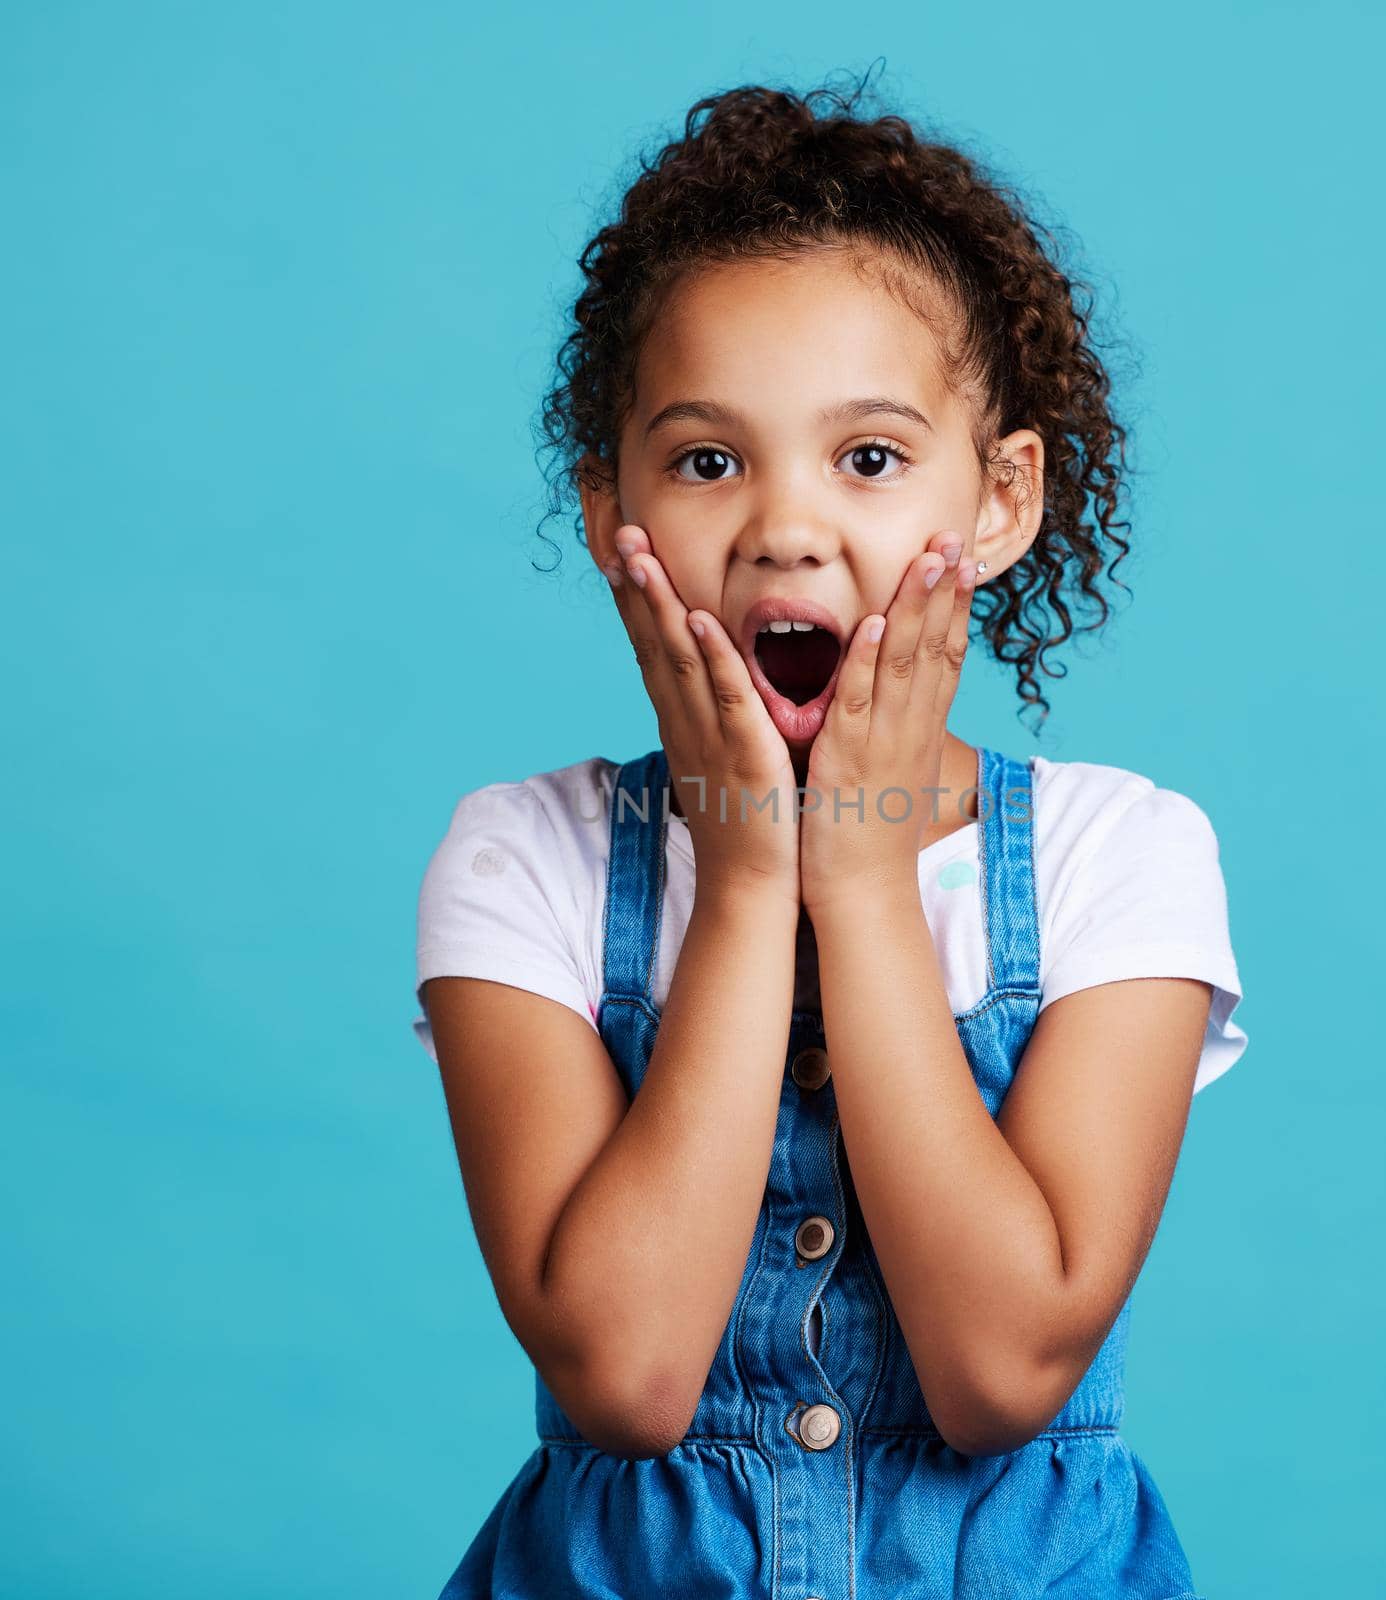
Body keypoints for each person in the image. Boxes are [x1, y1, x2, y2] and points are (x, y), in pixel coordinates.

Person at [412, 69, 1248, 1599]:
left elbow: (1003, 1369)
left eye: (867, 459)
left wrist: (857, 876)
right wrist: (744, 881)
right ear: (614, 513)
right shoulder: (517, 857)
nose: (787, 527)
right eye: (708, 460)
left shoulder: (1118, 859)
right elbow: (627, 1377)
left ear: (998, 501)